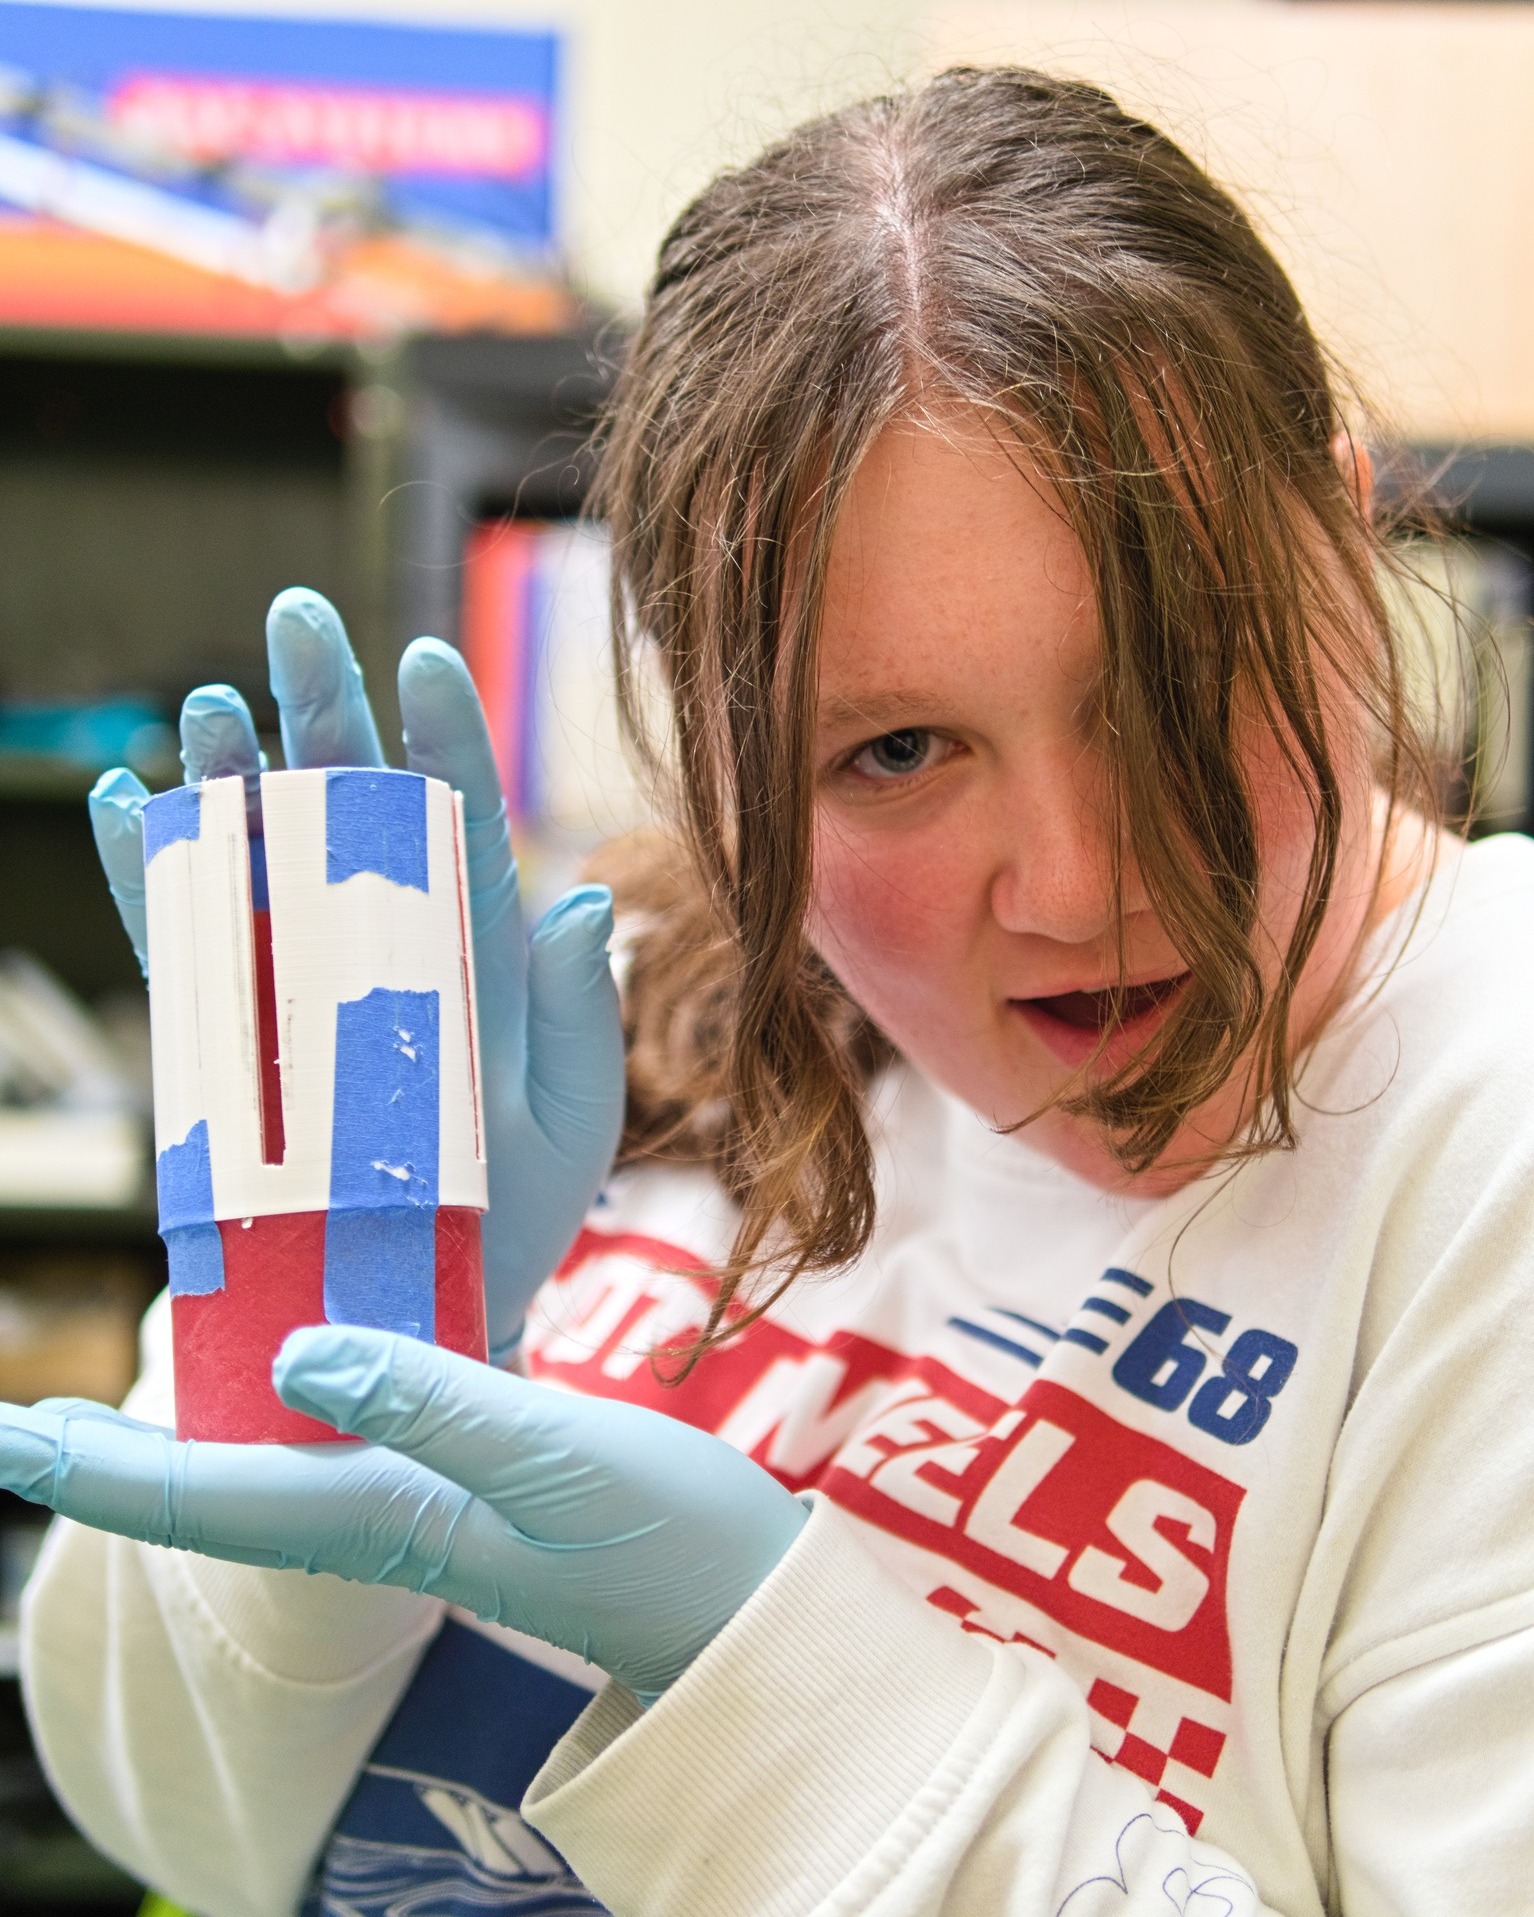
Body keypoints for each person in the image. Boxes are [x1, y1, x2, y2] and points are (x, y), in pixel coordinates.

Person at [8, 63, 1534, 1917]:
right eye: (892, 750)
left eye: (1174, 674)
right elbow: (185, 1828)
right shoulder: (615, 1022)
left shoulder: (1489, 1122)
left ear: (1349, 544)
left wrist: (774, 1688)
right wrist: (315, 1378)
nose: (1075, 884)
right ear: (718, 753)